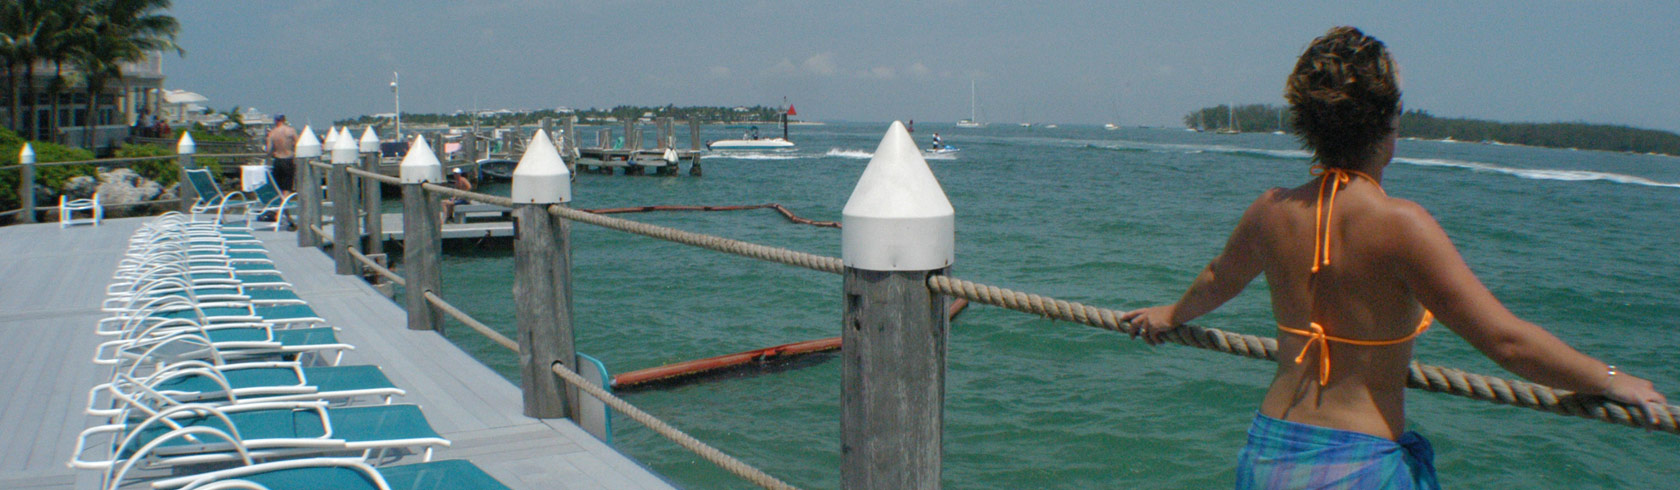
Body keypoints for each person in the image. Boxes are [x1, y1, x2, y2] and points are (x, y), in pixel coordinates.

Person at [1119, 26, 1666, 489]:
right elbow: (1507, 341)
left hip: (1269, 452)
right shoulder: (1400, 225)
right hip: (1355, 465)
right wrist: (1611, 378)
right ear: (1390, 125)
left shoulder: (1272, 211)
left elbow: (1218, 279)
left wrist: (1170, 314)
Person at [265, 115, 299, 193]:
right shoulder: (291, 131)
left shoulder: (272, 133)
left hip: (277, 160)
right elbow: (298, 144)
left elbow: (268, 150)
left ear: (275, 121)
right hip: (288, 159)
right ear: (284, 120)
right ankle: (285, 201)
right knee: (287, 184)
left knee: (277, 185)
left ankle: (280, 201)